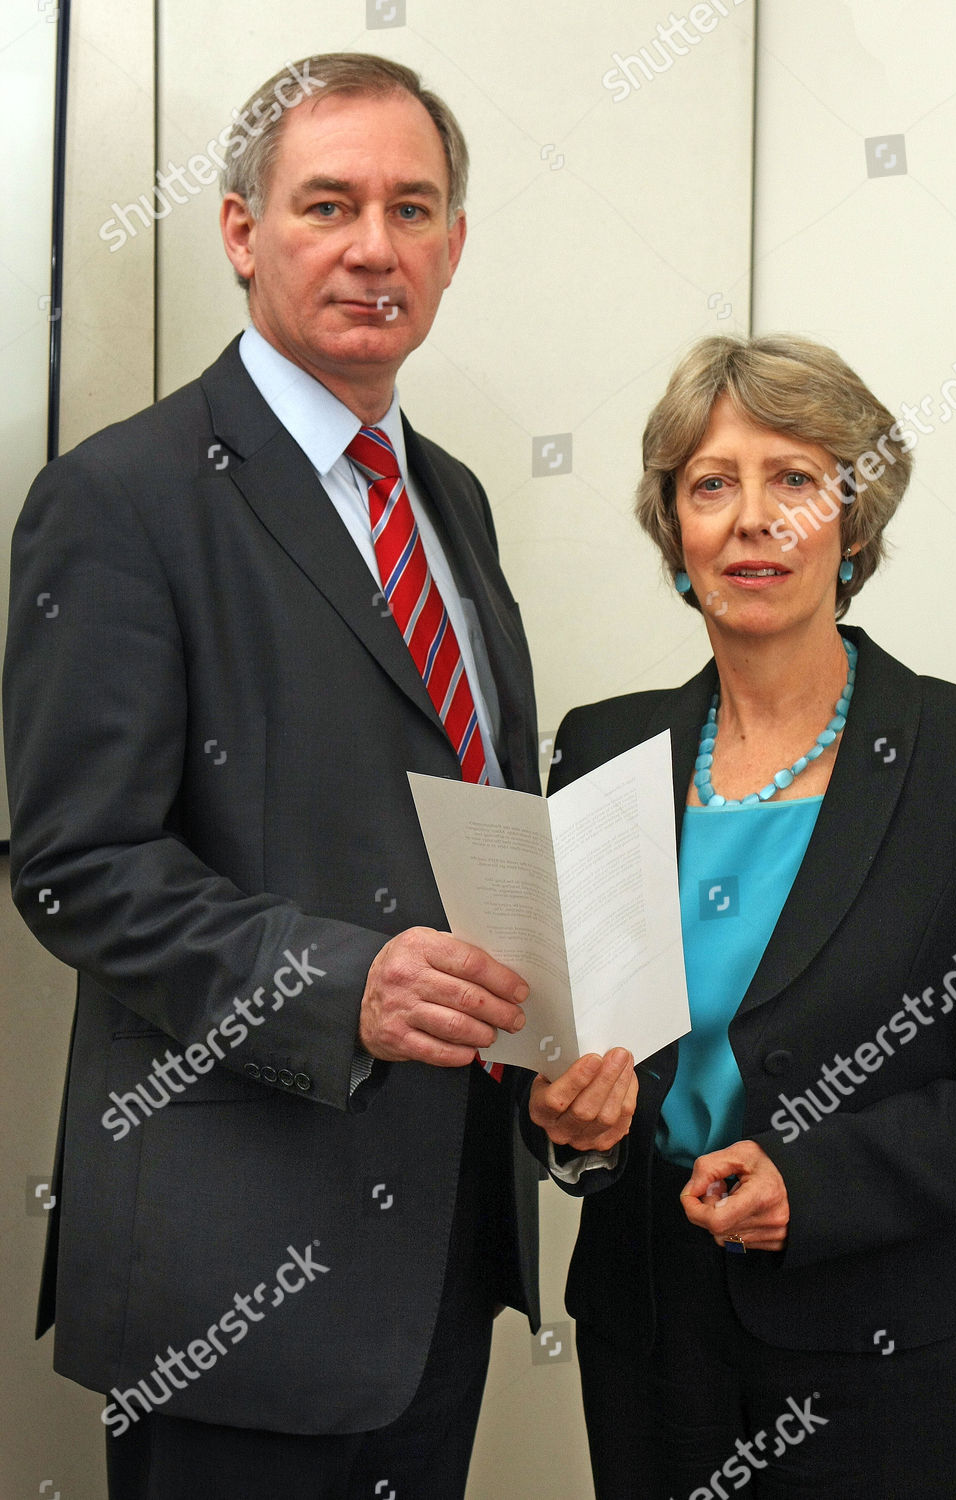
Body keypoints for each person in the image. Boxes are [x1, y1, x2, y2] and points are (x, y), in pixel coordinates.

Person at [4, 51, 607, 1500]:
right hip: (234, 1278)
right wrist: (343, 983)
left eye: (412, 209)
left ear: (452, 247)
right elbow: (77, 865)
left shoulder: (450, 500)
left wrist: (559, 1042)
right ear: (238, 232)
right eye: (326, 203)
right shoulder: (121, 498)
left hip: (445, 1250)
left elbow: (468, 817)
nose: (371, 246)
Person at [524, 334, 956, 1499]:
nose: (752, 518)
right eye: (710, 483)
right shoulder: (600, 747)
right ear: (675, 534)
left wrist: (823, 1185)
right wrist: (564, 1132)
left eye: (794, 479)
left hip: (879, 1342)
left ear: (853, 520)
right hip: (644, 1334)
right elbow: (566, 1049)